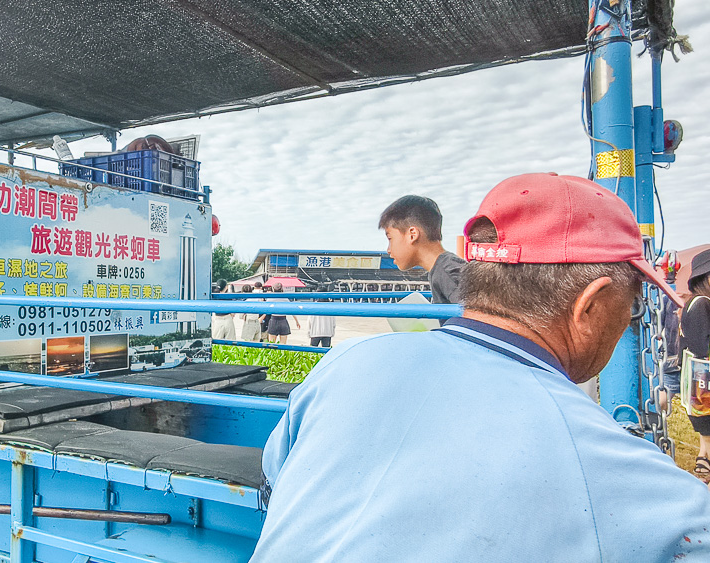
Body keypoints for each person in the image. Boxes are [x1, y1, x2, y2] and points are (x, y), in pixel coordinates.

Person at [251, 173, 708, 562]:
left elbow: (276, 470)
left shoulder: (346, 361)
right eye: (630, 304)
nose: (629, 318)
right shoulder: (645, 488)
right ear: (588, 306)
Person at [379, 194, 464, 304]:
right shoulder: (442, 268)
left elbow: (479, 318)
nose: (388, 250)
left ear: (412, 235)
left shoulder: (448, 273)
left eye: (390, 238)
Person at [681, 250, 710, 482]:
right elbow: (702, 345)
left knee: (706, 439)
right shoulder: (702, 304)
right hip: (704, 380)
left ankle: (703, 465)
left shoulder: (695, 303)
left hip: (699, 382)